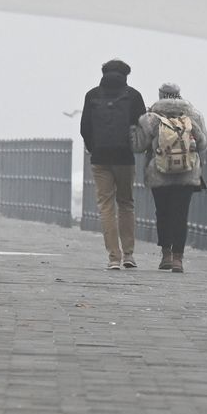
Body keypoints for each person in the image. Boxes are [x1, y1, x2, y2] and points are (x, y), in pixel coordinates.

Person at [133, 82, 207, 274]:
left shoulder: (150, 118)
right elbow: (203, 142)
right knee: (180, 215)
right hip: (187, 173)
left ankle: (166, 254)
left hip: (160, 173)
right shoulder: (194, 115)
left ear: (160, 95)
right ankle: (178, 259)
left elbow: (139, 146)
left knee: (163, 213)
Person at [80, 59, 147, 270]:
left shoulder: (92, 96)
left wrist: (94, 148)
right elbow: (142, 127)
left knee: (106, 206)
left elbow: (84, 128)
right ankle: (128, 254)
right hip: (125, 158)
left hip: (100, 158)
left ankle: (113, 257)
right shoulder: (133, 96)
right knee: (126, 203)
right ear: (126, 75)